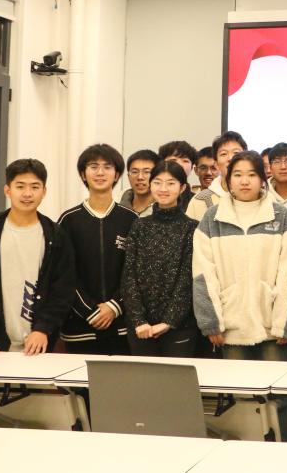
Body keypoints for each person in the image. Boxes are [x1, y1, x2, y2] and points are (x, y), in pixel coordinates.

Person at [193, 150, 287, 359]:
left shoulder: (280, 216)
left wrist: (285, 324)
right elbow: (203, 275)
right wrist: (211, 322)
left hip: (272, 327)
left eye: (252, 175)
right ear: (228, 180)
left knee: (274, 380)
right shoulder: (212, 218)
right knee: (237, 381)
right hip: (230, 326)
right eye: (238, 175)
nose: (245, 181)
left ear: (262, 179)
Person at [0, 159, 74, 355]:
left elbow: (62, 290)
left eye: (35, 187)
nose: (27, 193)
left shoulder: (56, 236)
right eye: (20, 186)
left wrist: (43, 328)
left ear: (44, 191)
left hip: (37, 345)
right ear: (7, 190)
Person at [58, 144, 137, 354]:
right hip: (79, 326)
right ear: (83, 174)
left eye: (107, 167)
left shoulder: (131, 220)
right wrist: (88, 310)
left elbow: (136, 273)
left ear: (117, 174)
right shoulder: (68, 220)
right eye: (93, 166)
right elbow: (63, 273)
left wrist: (114, 306)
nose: (100, 172)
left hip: (122, 326)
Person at [121, 161, 200, 357]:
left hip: (180, 327)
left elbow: (188, 279)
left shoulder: (192, 228)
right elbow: (129, 276)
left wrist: (169, 321)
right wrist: (138, 320)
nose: (163, 189)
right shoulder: (139, 226)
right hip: (141, 328)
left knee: (177, 377)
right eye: (157, 182)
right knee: (143, 377)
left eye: (171, 183)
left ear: (182, 188)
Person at [186, 130, 247, 222]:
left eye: (236, 153)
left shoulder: (261, 196)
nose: (230, 158)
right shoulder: (199, 200)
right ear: (216, 164)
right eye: (224, 154)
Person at [159, 140, 199, 207]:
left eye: (185, 161)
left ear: (192, 167)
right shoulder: (152, 197)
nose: (180, 165)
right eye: (173, 160)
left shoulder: (197, 201)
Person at [120, 149, 159, 217]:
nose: (140, 177)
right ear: (128, 176)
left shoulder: (165, 211)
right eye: (135, 172)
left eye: (147, 172)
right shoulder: (117, 209)